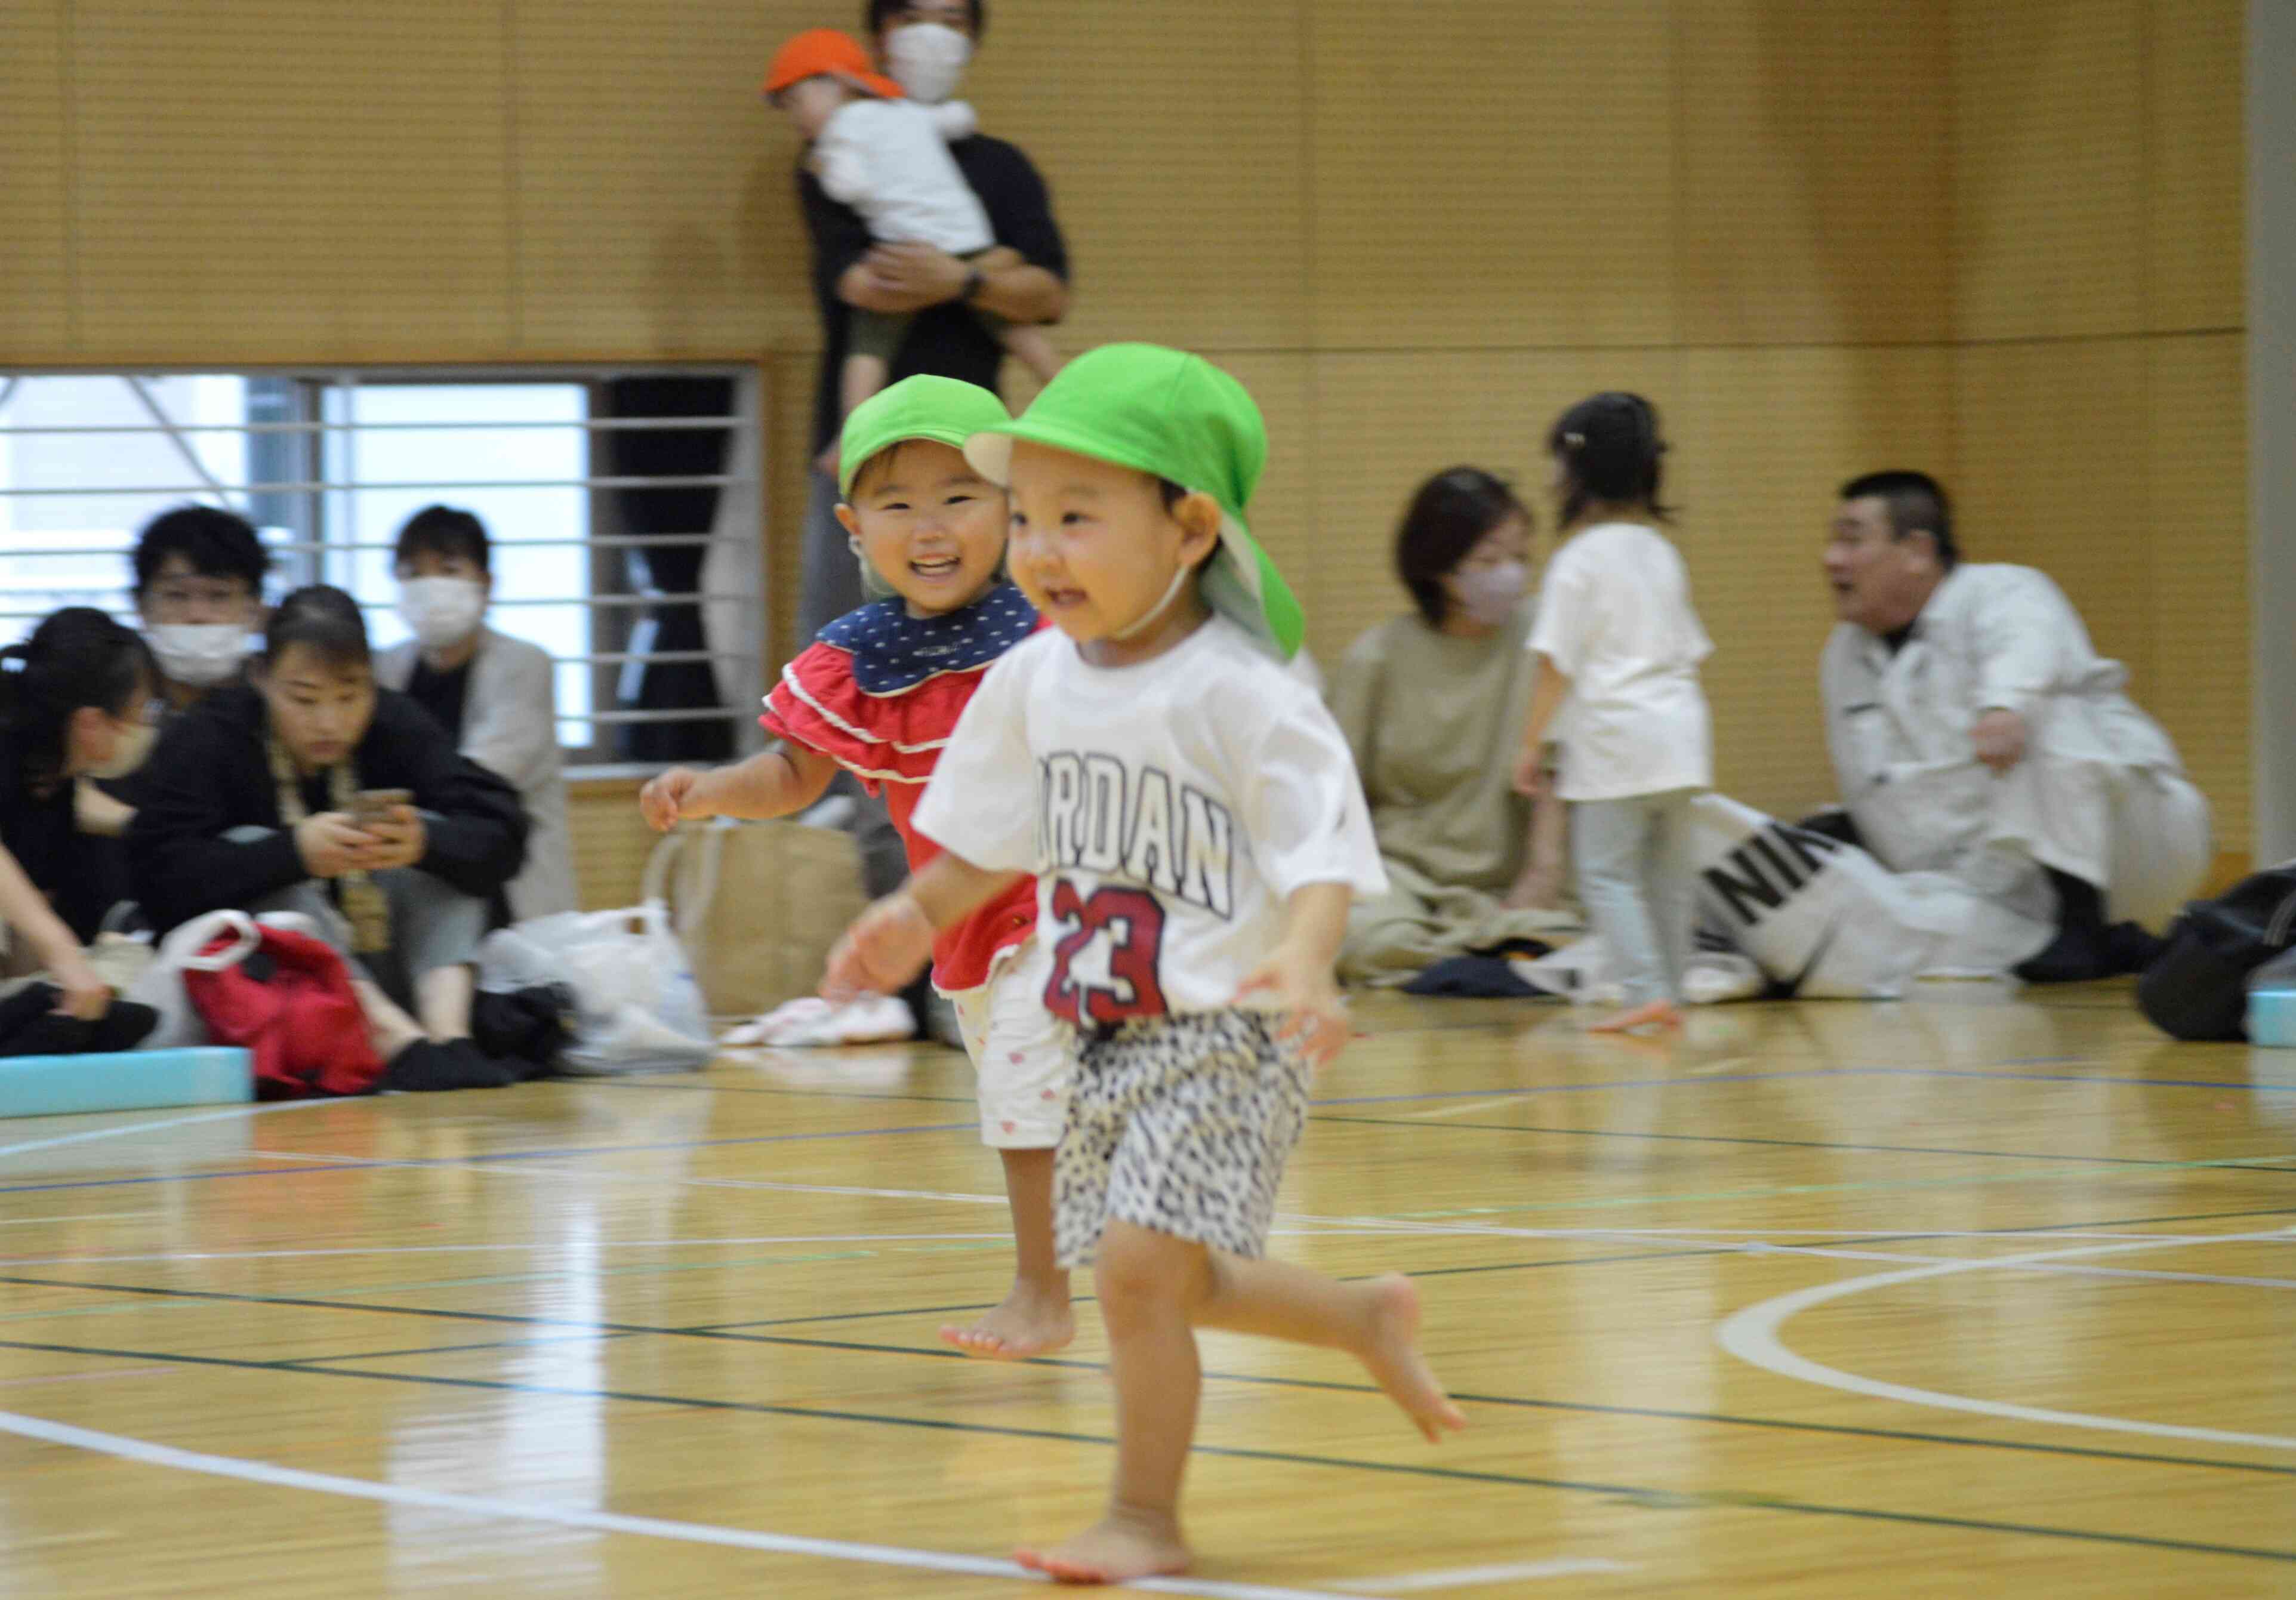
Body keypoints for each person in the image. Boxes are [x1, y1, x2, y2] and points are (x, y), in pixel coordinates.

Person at [824, 344, 1464, 1585]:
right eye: (1027, 519)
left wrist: (1310, 956)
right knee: (1168, 1276)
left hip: (1226, 1027)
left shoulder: (1243, 691)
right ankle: (1357, 1314)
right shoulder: (1031, 678)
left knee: (1129, 1272)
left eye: (1078, 517)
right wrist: (909, 914)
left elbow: (1322, 844)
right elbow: (984, 841)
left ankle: (1146, 1518)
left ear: (1188, 528)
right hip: (1101, 1030)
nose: (1040, 550)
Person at [639, 375, 1072, 1358]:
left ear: (1011, 504)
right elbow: (792, 776)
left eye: (959, 495)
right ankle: (1170, 1270)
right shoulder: (857, 659)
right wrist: (706, 790)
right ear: (852, 526)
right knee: (1032, 1104)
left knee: (1023, 1094)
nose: (930, 525)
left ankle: (1044, 1295)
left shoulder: (1055, 624)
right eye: (897, 503)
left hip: (1066, 909)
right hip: (954, 922)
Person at [129, 586, 531, 1088]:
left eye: (349, 695)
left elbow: (502, 830)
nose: (330, 721)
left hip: (393, 962)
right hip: (274, 994)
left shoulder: (394, 722)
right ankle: (396, 1042)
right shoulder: (210, 737)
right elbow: (159, 878)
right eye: (304, 698)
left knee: (439, 844)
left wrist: (424, 841)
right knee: (261, 860)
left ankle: (449, 1037)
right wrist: (292, 852)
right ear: (261, 678)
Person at [1818, 470, 2210, 981]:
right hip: (1993, 876)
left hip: (2135, 845)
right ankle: (2119, 946)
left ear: (1916, 550)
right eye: (1831, 540)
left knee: (2046, 714)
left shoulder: (2003, 590)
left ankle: (2084, 923)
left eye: (1851, 539)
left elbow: (2028, 649)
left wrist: (2004, 706)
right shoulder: (1841, 658)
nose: (1830, 559)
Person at [1513, 393, 1713, 1034]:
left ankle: (1642, 991)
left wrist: (1529, 744)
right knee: (1670, 879)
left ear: (1575, 471)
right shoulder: (1662, 552)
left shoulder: (1579, 560)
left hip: (1614, 740)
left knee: (1605, 873)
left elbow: (1554, 665)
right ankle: (1672, 992)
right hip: (1681, 737)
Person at [763, 29, 1061, 459]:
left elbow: (850, 190)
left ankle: (853, 431)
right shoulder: (901, 112)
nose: (796, 119)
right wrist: (966, 278)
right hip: (966, 238)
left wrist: (826, 166)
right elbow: (955, 120)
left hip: (907, 251)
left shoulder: (834, 140)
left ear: (835, 83)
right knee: (1017, 331)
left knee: (867, 349)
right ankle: (1069, 392)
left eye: (795, 102)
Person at [1329, 467, 1571, 986]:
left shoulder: (1544, 643)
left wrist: (1541, 877)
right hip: (1401, 878)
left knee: (1576, 933)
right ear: (1439, 569)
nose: (1509, 574)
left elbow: (1562, 769)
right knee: (1366, 939)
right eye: (1488, 560)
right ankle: (1478, 956)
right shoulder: (1377, 658)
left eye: (1520, 558)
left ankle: (1471, 956)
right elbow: (1333, 799)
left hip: (1510, 888)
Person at [373, 505, 577, 924]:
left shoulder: (526, 664)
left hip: (508, 890)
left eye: (449, 570)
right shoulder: (382, 668)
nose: (431, 589)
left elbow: (482, 779)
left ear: (485, 584)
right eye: (413, 574)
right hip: (408, 880)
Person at [0, 609, 162, 1054]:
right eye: (142, 712)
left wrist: (66, 987)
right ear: (90, 722)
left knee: (131, 968)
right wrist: (63, 954)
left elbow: (22, 956)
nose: (150, 725)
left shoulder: (59, 792)